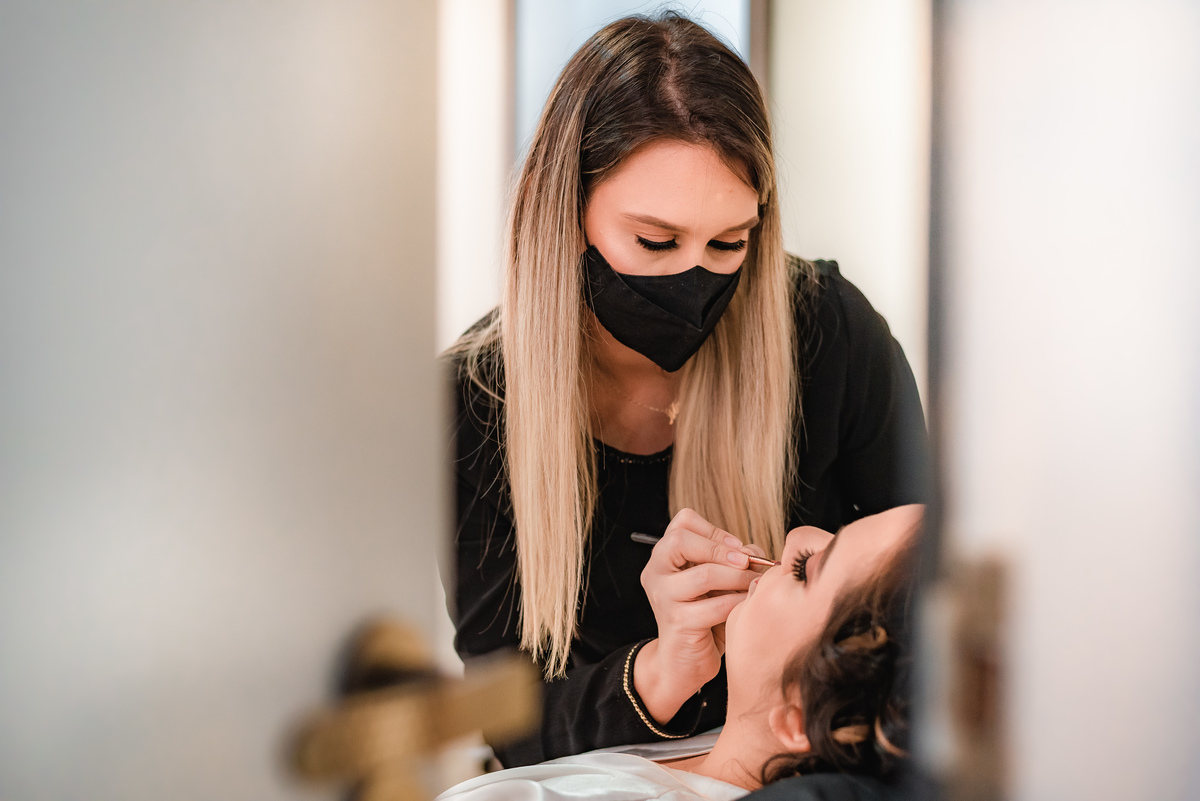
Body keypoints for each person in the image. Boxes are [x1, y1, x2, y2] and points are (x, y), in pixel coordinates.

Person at [446, 12, 928, 766]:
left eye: (728, 243)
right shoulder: (472, 405)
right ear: (564, 209)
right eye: (656, 241)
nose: (693, 276)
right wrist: (664, 668)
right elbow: (512, 717)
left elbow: (929, 587)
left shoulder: (830, 335)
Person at [437, 505, 923, 801]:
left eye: (805, 569)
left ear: (799, 717)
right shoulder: (716, 739)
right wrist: (659, 670)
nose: (796, 534)